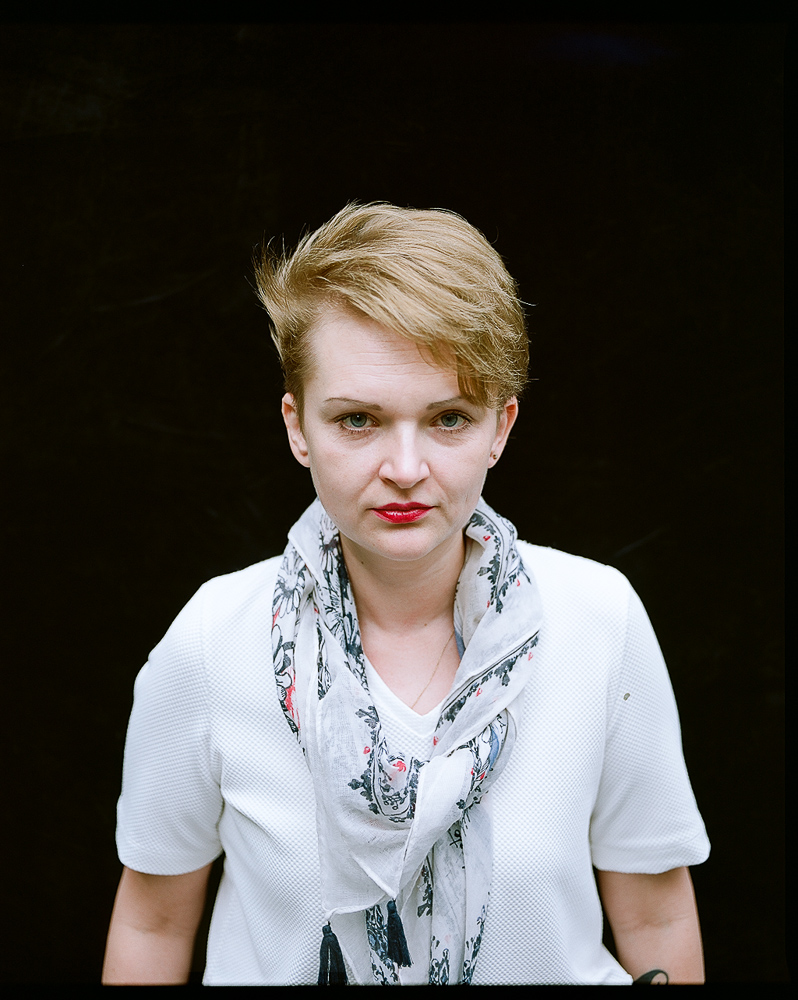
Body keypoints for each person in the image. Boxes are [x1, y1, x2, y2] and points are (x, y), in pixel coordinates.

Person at [102, 202, 709, 986]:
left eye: (449, 418)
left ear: (501, 427)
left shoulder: (599, 620)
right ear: (297, 426)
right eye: (359, 419)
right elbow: (152, 922)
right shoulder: (216, 641)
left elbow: (656, 917)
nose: (406, 468)